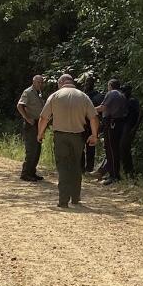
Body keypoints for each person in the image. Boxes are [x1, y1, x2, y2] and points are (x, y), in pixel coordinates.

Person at [37, 74, 98, 208]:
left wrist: (40, 134)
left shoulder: (55, 96)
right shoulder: (83, 96)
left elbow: (43, 118)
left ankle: (63, 200)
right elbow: (93, 117)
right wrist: (94, 135)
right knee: (76, 166)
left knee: (63, 167)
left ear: (61, 83)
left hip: (61, 137)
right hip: (78, 137)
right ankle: (75, 198)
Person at [96, 78, 128, 185]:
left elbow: (103, 107)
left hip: (111, 123)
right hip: (119, 124)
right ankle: (114, 174)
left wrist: (89, 108)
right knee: (115, 150)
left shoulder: (112, 93)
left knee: (110, 150)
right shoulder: (121, 94)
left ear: (110, 85)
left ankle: (113, 176)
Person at [17, 74, 46, 181]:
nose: (40, 84)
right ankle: (25, 174)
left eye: (42, 82)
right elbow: (20, 106)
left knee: (37, 149)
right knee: (31, 150)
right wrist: (27, 118)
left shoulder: (39, 93)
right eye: (39, 82)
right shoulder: (28, 92)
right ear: (33, 82)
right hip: (31, 124)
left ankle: (32, 172)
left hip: (39, 124)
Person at [80, 73, 105, 173]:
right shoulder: (81, 95)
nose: (88, 84)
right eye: (87, 82)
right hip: (82, 122)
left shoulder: (98, 96)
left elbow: (102, 111)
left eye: (89, 83)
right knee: (81, 145)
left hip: (92, 123)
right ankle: (81, 167)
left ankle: (89, 167)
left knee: (91, 146)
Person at [121, 84, 143, 176]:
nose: (124, 92)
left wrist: (135, 128)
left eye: (125, 91)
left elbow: (141, 113)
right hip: (125, 126)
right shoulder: (125, 100)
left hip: (129, 127)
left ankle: (130, 172)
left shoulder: (132, 101)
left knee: (125, 148)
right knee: (123, 149)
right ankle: (127, 171)